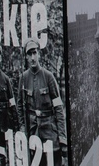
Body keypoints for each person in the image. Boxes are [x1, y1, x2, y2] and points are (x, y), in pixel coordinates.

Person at [16, 38, 67, 166]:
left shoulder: (48, 77)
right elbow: (20, 106)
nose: (33, 57)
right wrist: (23, 129)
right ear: (26, 57)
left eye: (34, 53)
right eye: (29, 54)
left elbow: (59, 109)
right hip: (33, 133)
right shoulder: (23, 78)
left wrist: (62, 138)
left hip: (49, 132)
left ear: (39, 54)